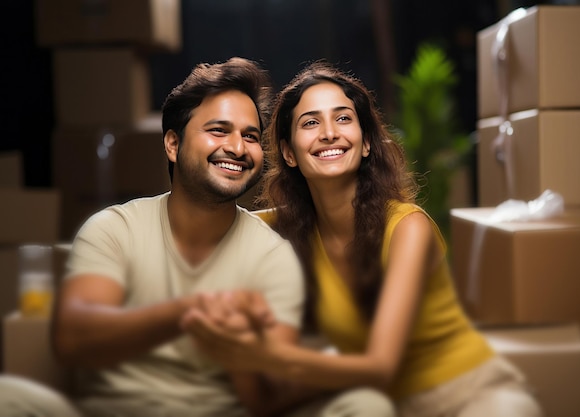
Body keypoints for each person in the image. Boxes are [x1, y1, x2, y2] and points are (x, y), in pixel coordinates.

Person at [0, 58, 395, 417]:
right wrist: (188, 311)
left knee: (366, 406)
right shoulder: (115, 228)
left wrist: (245, 347)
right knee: (8, 396)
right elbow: (73, 338)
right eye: (218, 130)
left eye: (251, 136)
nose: (237, 148)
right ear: (173, 144)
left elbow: (264, 396)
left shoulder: (271, 254)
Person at [181, 61, 545, 417]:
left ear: (366, 142)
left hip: (468, 397)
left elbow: (380, 367)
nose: (329, 133)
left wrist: (265, 357)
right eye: (310, 123)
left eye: (343, 118)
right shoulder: (283, 230)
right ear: (289, 152)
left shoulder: (406, 229)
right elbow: (208, 220)